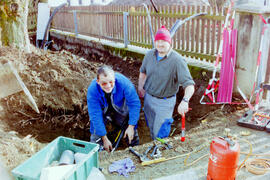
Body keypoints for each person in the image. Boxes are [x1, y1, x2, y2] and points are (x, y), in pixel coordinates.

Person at [138, 25, 195, 140]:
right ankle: (152, 143)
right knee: (151, 126)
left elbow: (189, 85)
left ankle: (158, 149)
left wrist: (185, 100)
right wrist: (140, 87)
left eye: (163, 41)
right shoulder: (149, 55)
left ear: (170, 42)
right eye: (157, 41)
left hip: (165, 102)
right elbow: (143, 72)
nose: (160, 44)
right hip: (149, 98)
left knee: (161, 132)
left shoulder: (177, 61)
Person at [87, 65, 141, 152]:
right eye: (104, 83)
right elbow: (95, 115)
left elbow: (134, 104)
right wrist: (104, 138)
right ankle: (97, 152)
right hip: (102, 109)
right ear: (98, 81)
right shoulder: (92, 90)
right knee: (96, 132)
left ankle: (134, 146)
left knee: (129, 128)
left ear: (114, 79)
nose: (108, 86)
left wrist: (131, 126)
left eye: (111, 82)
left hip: (120, 108)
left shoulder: (125, 84)